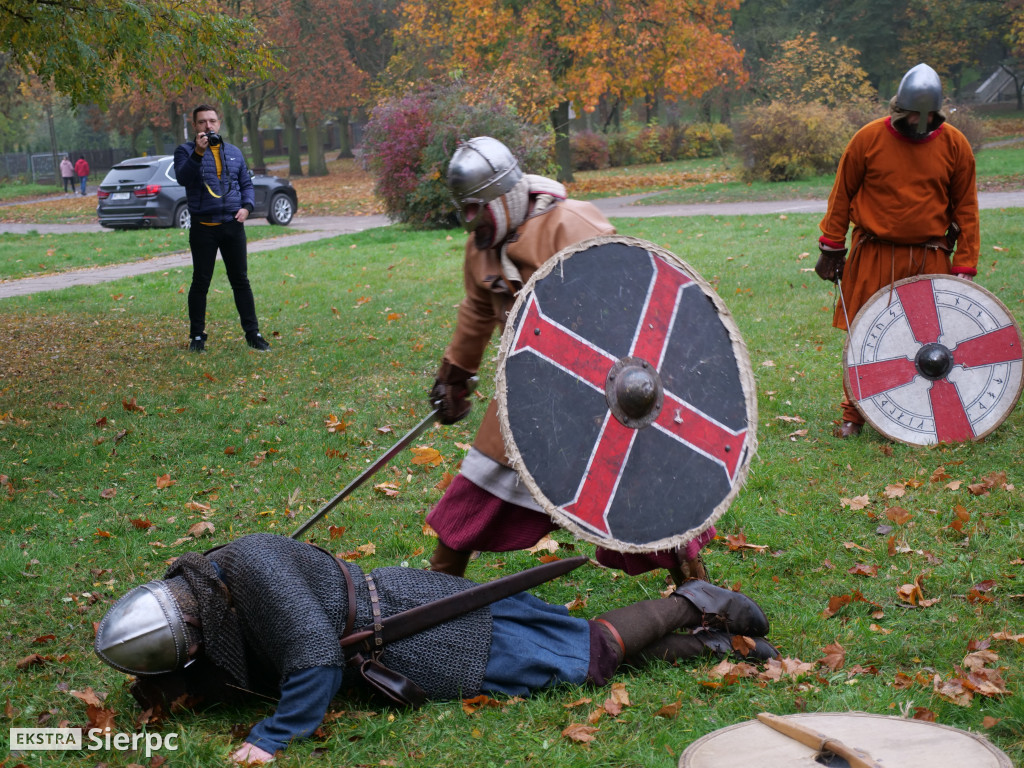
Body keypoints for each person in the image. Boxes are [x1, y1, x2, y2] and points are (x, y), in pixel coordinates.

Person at [94, 533, 776, 765]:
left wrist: (273, 738)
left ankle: (695, 602)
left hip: (423, 631)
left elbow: (313, 658)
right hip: (401, 623)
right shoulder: (207, 587)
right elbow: (232, 660)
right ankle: (720, 642)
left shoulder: (248, 570)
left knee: (592, 654)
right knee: (575, 655)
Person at [425, 136, 714, 584]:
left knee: (638, 490)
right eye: (463, 209)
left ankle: (700, 595)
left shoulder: (572, 224)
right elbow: (479, 309)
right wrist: (456, 375)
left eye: (475, 208)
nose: (469, 223)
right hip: (528, 397)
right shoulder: (483, 246)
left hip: (602, 391)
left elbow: (630, 297)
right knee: (476, 488)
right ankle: (432, 595)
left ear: (502, 198)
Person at [815, 63, 979, 437]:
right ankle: (854, 414)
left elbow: (965, 207)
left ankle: (920, 411)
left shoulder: (955, 144)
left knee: (930, 340)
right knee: (865, 335)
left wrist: (965, 264)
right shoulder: (868, 139)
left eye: (929, 117)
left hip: (930, 256)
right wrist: (831, 247)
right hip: (875, 254)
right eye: (913, 116)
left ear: (937, 113)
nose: (921, 124)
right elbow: (842, 196)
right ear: (898, 109)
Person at [174, 104, 270, 353]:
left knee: (241, 281)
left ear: (220, 123)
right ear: (194, 125)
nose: (208, 126)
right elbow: (183, 178)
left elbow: (246, 183)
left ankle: (253, 335)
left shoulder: (234, 152)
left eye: (212, 121)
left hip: (232, 226)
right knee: (200, 282)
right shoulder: (184, 151)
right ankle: (197, 337)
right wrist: (197, 152)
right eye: (203, 122)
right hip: (203, 228)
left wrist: (247, 207)